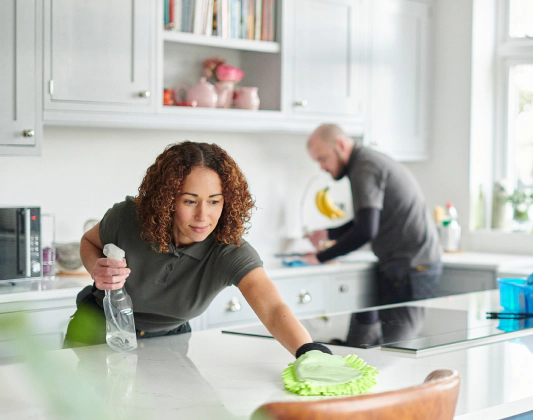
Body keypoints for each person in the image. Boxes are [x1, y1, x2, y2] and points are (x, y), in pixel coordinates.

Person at [64, 141, 330, 360]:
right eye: (190, 201)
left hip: (169, 344)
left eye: (214, 201)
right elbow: (89, 242)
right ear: (166, 200)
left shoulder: (229, 251)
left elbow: (272, 307)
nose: (203, 215)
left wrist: (308, 352)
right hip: (95, 332)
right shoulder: (127, 218)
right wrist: (96, 269)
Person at [301, 124, 442, 305]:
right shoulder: (366, 161)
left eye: (323, 159)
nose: (322, 167)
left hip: (411, 267)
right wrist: (329, 234)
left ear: (341, 145)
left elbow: (366, 230)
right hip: (414, 264)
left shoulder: (364, 167)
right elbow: (367, 220)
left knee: (400, 333)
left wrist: (320, 257)